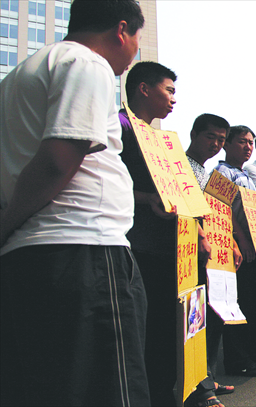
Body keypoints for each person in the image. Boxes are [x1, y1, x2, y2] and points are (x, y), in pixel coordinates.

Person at [0, 1, 150, 405]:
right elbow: (57, 160)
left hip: (33, 258)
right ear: (122, 30)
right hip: (85, 253)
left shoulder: (20, 75)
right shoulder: (86, 62)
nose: (135, 49)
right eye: (138, 37)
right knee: (110, 392)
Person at [120, 60, 188, 407]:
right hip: (135, 246)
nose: (174, 99)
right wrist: (146, 198)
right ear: (144, 89)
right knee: (142, 330)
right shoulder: (118, 127)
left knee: (165, 329)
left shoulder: (162, 142)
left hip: (169, 248)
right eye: (169, 90)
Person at [185, 113, 239, 401]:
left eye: (220, 139)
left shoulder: (207, 174)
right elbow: (184, 208)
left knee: (212, 316)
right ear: (193, 134)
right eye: (210, 137)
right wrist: (201, 236)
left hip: (215, 255)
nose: (216, 144)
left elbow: (218, 214)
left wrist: (231, 242)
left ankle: (207, 378)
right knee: (193, 320)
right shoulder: (180, 166)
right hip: (190, 254)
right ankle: (197, 387)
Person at [214, 125, 256, 376]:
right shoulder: (221, 172)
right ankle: (238, 359)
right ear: (226, 144)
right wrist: (240, 241)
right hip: (238, 249)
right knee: (238, 304)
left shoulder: (246, 175)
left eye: (250, 142)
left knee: (254, 302)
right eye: (242, 142)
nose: (248, 147)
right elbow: (221, 210)